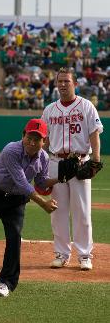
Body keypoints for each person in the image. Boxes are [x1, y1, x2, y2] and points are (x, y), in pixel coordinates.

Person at [0, 119, 59, 297]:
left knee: (14, 237)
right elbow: (22, 182)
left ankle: (6, 282)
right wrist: (43, 204)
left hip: (16, 200)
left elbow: (40, 183)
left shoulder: (44, 157)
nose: (32, 142)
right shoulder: (12, 150)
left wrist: (62, 176)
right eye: (29, 137)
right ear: (23, 135)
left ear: (44, 141)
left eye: (37, 139)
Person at [41, 67, 103, 271]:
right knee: (57, 211)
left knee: (82, 212)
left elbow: (94, 133)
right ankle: (61, 253)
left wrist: (95, 159)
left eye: (66, 81)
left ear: (75, 83)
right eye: (59, 81)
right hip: (56, 162)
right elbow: (45, 139)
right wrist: (42, 162)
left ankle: (84, 255)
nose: (62, 84)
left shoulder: (86, 106)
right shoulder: (49, 110)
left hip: (79, 162)